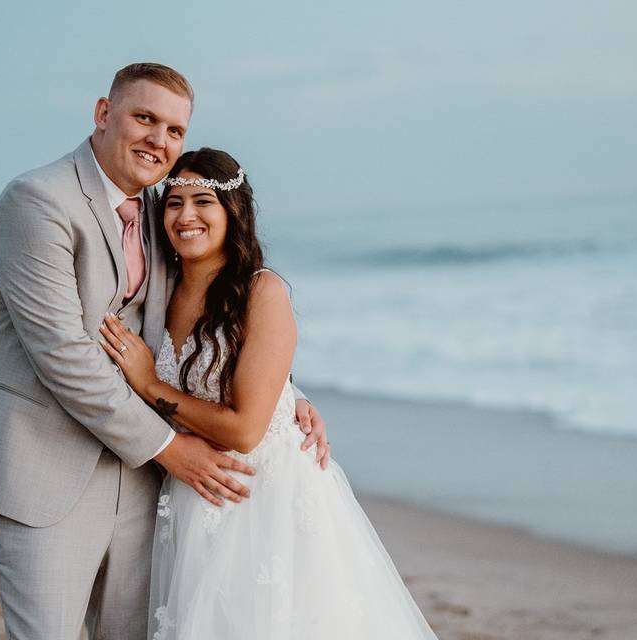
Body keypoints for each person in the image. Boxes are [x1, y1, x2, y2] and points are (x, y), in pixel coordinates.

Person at [0, 63, 329, 639]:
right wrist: (172, 449)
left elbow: (209, 329)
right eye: (144, 118)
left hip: (140, 487)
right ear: (104, 114)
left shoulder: (161, 216)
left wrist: (286, 399)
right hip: (46, 472)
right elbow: (65, 357)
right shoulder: (37, 202)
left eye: (174, 130)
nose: (159, 139)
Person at [100, 147, 439, 639]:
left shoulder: (262, 291)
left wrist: (150, 383)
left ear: (232, 213)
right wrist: (291, 391)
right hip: (192, 493)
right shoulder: (161, 290)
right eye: (173, 203)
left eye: (203, 202)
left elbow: (245, 429)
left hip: (265, 501)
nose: (186, 216)